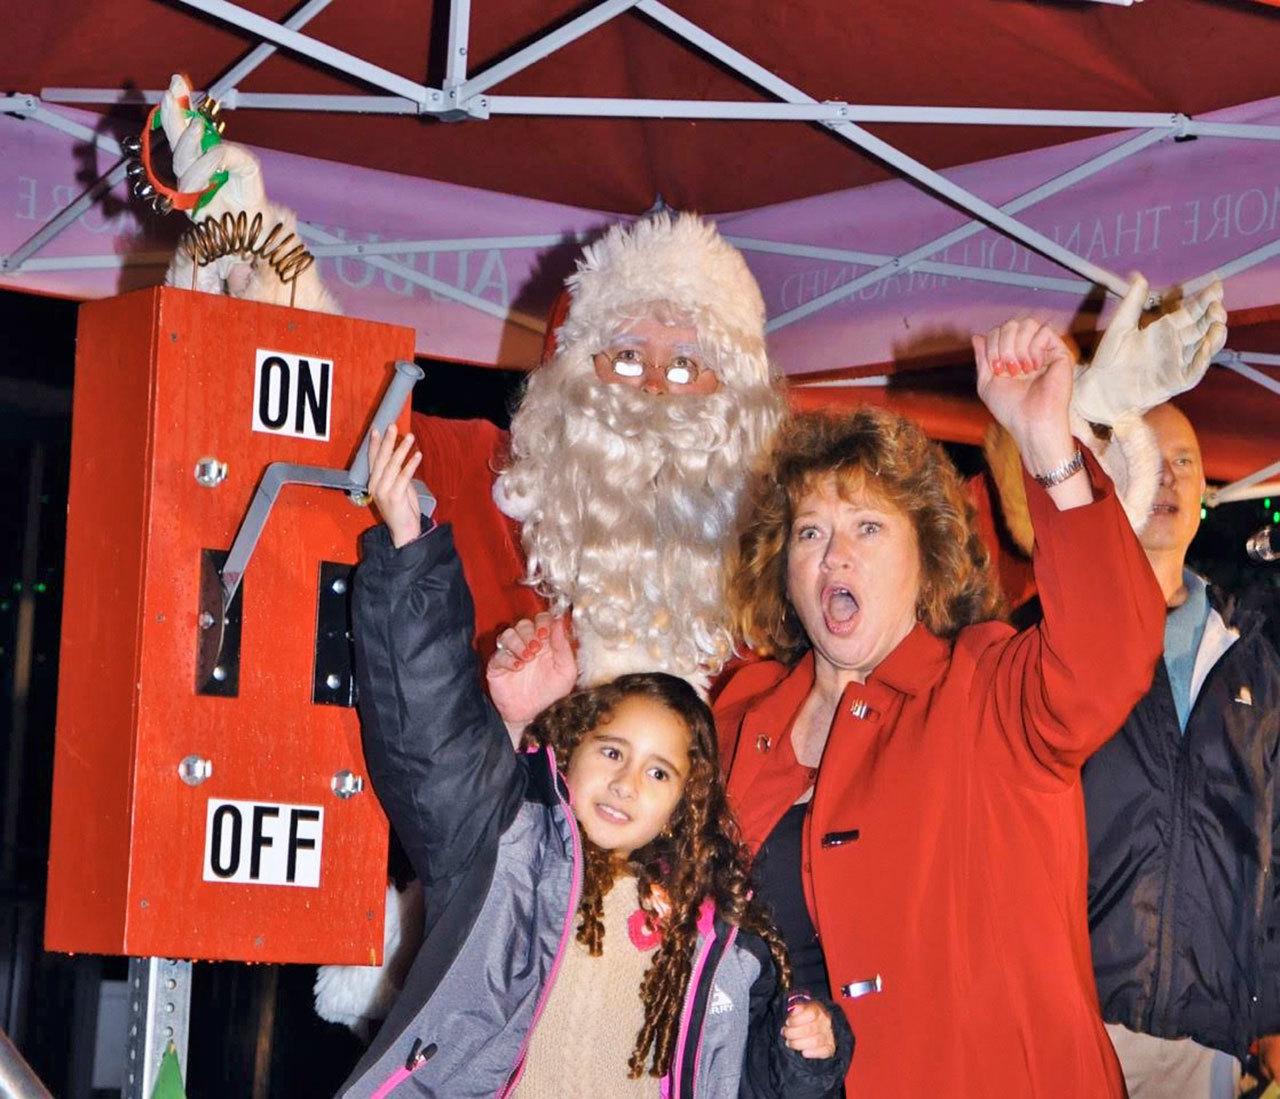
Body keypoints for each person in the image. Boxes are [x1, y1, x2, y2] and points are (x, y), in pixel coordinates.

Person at [492, 316, 1167, 1096]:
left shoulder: (985, 688)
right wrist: (521, 721)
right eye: (811, 531)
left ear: (929, 558)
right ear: (785, 567)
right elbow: (609, 877)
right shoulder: (738, 721)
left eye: (868, 527)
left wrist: (1047, 442)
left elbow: (1111, 654)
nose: (835, 552)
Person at [333, 424, 852, 1098]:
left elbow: (743, 1082)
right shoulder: (510, 859)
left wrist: (803, 1058)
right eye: (612, 751)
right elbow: (429, 735)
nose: (627, 782)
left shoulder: (719, 945)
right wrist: (410, 546)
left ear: (684, 802)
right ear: (572, 752)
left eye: (658, 772)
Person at [1082, 401, 1280, 1099]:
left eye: (1185, 462)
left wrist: (1271, 1011)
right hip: (1081, 1016)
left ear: (1205, 496)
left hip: (1207, 1034)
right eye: (1146, 457)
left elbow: (1274, 842)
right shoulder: (1061, 642)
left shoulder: (1250, 660)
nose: (1166, 477)